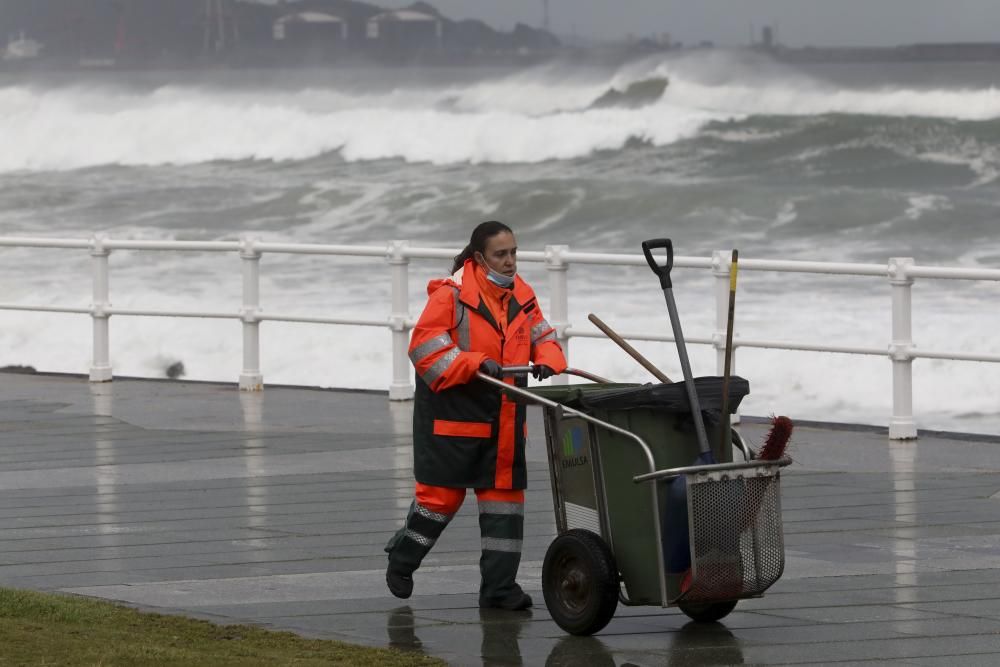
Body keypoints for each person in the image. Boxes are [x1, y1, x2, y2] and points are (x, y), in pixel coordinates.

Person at [385, 220, 567, 610]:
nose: (511, 261)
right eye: (501, 254)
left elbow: (542, 334)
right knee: (439, 501)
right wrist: (473, 363)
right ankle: (401, 560)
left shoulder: (522, 294)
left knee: (505, 505)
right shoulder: (450, 297)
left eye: (514, 252)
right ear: (479, 258)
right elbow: (423, 350)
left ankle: (499, 590)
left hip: (504, 418)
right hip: (453, 419)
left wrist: (550, 358)